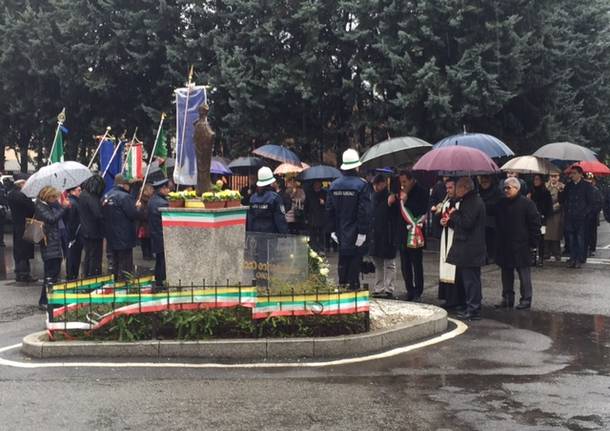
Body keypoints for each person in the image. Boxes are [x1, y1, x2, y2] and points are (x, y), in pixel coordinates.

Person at [326, 149, 370, 291]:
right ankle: (353, 290)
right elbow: (363, 211)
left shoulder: (334, 185)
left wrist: (332, 230)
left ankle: (342, 289)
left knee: (343, 261)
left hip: (340, 231)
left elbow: (329, 210)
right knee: (354, 263)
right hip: (356, 231)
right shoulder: (362, 185)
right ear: (356, 166)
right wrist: (362, 232)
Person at [494, 177, 541, 310]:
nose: (506, 190)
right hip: (505, 244)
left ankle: (526, 299)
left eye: (509, 187)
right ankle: (507, 298)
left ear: (517, 188)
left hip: (522, 244)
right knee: (506, 273)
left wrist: (533, 243)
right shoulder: (501, 203)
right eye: (505, 187)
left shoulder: (527, 203)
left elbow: (534, 224)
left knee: (524, 273)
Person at [444, 177, 486, 320]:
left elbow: (467, 223)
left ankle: (473, 309)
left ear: (465, 188)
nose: (456, 190)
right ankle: (470, 306)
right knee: (469, 279)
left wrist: (454, 214)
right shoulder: (468, 201)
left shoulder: (473, 202)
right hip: (468, 247)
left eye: (458, 187)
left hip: (470, 248)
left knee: (471, 280)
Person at [388, 170, 428, 302]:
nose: (402, 185)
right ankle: (409, 289)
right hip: (402, 233)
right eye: (401, 182)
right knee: (405, 264)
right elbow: (395, 214)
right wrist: (391, 202)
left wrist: (406, 202)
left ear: (411, 180)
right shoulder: (398, 192)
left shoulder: (421, 191)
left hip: (415, 232)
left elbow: (421, 210)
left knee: (416, 263)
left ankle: (418, 291)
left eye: (405, 182)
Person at [102, 174, 143, 280]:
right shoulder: (125, 197)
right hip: (124, 235)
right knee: (125, 262)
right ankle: (125, 282)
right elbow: (133, 214)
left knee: (115, 261)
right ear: (124, 185)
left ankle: (115, 280)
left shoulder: (106, 195)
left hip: (111, 234)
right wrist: (138, 208)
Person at [34, 186, 69, 309]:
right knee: (50, 274)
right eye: (54, 197)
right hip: (49, 245)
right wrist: (63, 208)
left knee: (54, 274)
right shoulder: (41, 207)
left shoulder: (46, 205)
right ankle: (44, 301)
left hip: (53, 244)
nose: (55, 199)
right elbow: (52, 219)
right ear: (47, 196)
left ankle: (52, 300)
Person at [436, 178, 465, 310]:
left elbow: (461, 222)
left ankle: (457, 299)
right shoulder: (446, 202)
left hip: (455, 237)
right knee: (445, 264)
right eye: (447, 188)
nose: (448, 190)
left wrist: (449, 222)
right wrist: (440, 221)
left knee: (455, 268)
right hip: (446, 235)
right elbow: (440, 219)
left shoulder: (460, 203)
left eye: (451, 188)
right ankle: (448, 297)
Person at [559, 165, 595, 268]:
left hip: (581, 218)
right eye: (571, 173)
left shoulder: (586, 186)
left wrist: (585, 214)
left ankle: (579, 258)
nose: (572, 175)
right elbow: (562, 200)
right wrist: (560, 191)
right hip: (570, 216)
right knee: (570, 239)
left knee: (580, 239)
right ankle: (572, 258)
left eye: (574, 173)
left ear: (580, 174)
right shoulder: (569, 185)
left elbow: (591, 203)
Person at [369, 174, 396, 299]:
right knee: (378, 263)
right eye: (374, 184)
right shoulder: (373, 196)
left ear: (383, 183)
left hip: (387, 233)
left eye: (377, 184)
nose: (375, 187)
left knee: (388, 262)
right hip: (376, 233)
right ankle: (379, 287)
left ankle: (388, 288)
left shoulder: (390, 196)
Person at [7, 175, 36, 282]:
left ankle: (19, 271)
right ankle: (24, 273)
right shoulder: (22, 196)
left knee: (18, 249)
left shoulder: (11, 194)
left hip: (17, 224)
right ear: (21, 184)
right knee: (24, 250)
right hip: (25, 224)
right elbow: (31, 208)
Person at [246, 167, 289, 234]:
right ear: (271, 182)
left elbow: (250, 220)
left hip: (255, 234)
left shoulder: (252, 198)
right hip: (271, 235)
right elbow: (280, 220)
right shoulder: (275, 198)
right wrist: (285, 233)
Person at [79, 175, 105, 277]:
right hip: (94, 231)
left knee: (88, 255)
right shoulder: (91, 197)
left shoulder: (83, 194)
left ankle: (87, 274)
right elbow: (98, 214)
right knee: (95, 256)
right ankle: (93, 275)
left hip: (86, 230)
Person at [148, 179, 170, 289]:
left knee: (159, 259)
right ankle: (161, 282)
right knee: (162, 260)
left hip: (155, 233)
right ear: (162, 189)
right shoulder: (163, 203)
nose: (169, 190)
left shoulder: (152, 200)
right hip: (161, 234)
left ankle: (158, 280)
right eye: (167, 188)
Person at [477, 175, 503, 264]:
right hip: (480, 219)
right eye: (482, 181)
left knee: (491, 237)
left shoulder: (497, 191)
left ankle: (491, 255)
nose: (484, 183)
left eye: (486, 180)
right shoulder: (478, 191)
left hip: (492, 220)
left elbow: (498, 205)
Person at [530, 174, 553, 266]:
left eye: (538, 179)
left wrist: (545, 215)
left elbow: (549, 207)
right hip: (531, 218)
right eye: (534, 179)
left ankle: (541, 257)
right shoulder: (531, 191)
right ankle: (533, 257)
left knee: (541, 238)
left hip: (542, 219)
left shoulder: (546, 192)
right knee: (532, 238)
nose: (536, 181)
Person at [544, 172, 564, 261]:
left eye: (555, 176)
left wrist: (554, 207)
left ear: (558, 177)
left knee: (556, 235)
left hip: (557, 213)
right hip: (546, 213)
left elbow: (563, 200)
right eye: (551, 176)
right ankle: (546, 253)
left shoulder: (562, 187)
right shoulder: (545, 186)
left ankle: (557, 253)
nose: (553, 178)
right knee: (545, 234)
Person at [63, 186, 82, 280]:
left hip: (73, 233)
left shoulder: (72, 202)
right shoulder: (73, 203)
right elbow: (71, 221)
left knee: (73, 256)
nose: (80, 192)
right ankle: (72, 276)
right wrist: (72, 236)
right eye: (78, 190)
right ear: (72, 191)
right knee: (73, 256)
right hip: (74, 234)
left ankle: (72, 275)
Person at [304, 180, 327, 254]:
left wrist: (324, 203)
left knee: (321, 234)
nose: (317, 185)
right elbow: (306, 205)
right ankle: (314, 248)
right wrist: (306, 217)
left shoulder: (324, 192)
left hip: (321, 216)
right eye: (315, 184)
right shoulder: (309, 193)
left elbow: (329, 204)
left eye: (318, 183)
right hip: (312, 216)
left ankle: (321, 248)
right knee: (312, 233)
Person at [584, 173, 603, 257]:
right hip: (584, 215)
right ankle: (585, 247)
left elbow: (599, 203)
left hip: (592, 216)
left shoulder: (596, 190)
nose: (590, 181)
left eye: (591, 180)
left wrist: (593, 211)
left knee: (592, 233)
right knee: (584, 232)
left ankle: (592, 248)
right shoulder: (584, 190)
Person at [137, 184, 155, 260]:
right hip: (143, 225)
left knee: (150, 240)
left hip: (150, 223)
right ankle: (146, 254)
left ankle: (150, 254)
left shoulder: (152, 199)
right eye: (150, 189)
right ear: (144, 191)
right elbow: (141, 214)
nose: (152, 191)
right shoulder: (140, 200)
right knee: (145, 241)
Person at [0, 178, 7, 247]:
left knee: (1, 226)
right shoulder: (2, 186)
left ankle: (1, 240)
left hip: (1, 209)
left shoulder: (2, 186)